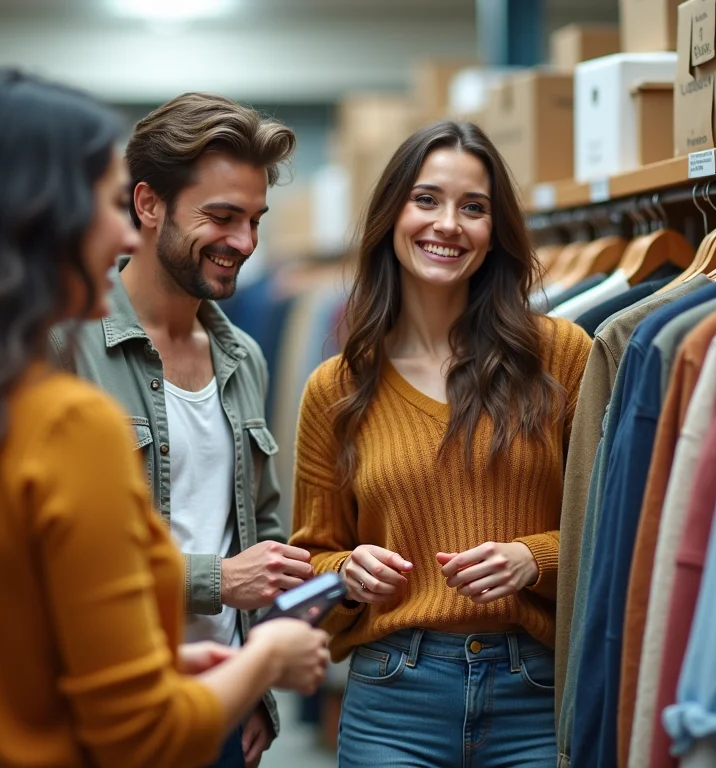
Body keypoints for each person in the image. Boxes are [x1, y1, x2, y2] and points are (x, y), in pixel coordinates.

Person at [0, 69, 329, 768]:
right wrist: (264, 662)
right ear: (36, 218)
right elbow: (142, 734)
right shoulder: (64, 420)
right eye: (105, 202)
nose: (120, 230)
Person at [289, 121, 592, 767]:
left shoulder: (564, 356)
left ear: (495, 231)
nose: (448, 224)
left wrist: (534, 557)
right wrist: (345, 572)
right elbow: (308, 558)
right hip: (393, 696)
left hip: (536, 690)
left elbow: (614, 530)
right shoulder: (336, 387)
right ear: (392, 214)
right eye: (427, 199)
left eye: (473, 207)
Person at [50, 92, 310, 768]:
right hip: (103, 706)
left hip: (219, 702)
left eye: (254, 220)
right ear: (147, 204)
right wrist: (213, 580)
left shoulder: (243, 358)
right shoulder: (61, 345)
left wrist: (255, 683)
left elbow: (263, 531)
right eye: (222, 217)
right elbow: (47, 554)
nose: (245, 244)